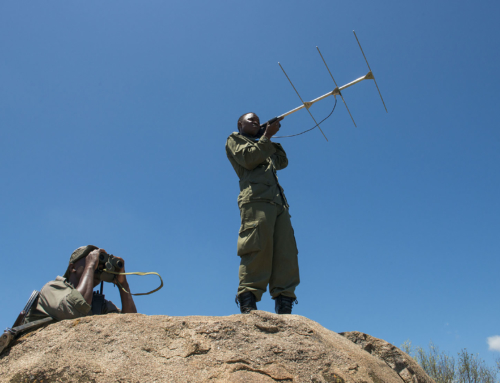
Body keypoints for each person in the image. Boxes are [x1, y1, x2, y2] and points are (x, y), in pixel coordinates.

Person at [225, 113, 300, 315]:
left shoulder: (262, 144)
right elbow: (248, 159)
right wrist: (265, 137)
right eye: (251, 120)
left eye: (258, 120)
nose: (256, 122)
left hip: (278, 205)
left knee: (286, 253)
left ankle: (284, 301)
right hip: (256, 201)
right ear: (240, 124)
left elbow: (282, 161)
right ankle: (248, 299)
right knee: (256, 248)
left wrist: (267, 137)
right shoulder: (234, 139)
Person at [25, 245, 137, 323]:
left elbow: (129, 324)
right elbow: (74, 311)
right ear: (72, 267)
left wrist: (123, 284)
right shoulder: (52, 288)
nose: (98, 264)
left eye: (99, 261)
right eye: (90, 258)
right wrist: (90, 266)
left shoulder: (97, 303)